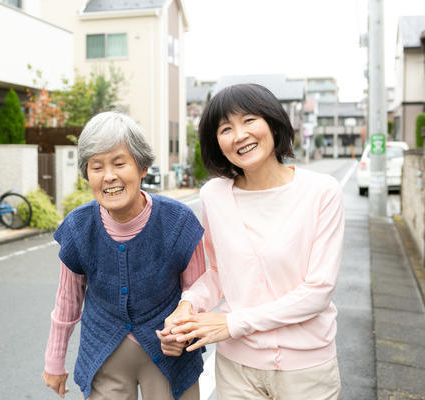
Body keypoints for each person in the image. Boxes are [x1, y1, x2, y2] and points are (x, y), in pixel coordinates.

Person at [163, 84, 344, 399]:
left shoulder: (321, 192)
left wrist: (231, 324)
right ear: (217, 143)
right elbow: (218, 271)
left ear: (272, 123)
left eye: (249, 120)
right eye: (225, 128)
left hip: (306, 370)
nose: (239, 135)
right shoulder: (214, 195)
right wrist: (187, 306)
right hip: (237, 369)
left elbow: (318, 291)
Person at [42, 111, 206, 399]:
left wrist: (184, 332)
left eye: (120, 163)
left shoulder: (178, 221)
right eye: (96, 167)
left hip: (170, 354)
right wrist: (54, 361)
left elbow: (199, 289)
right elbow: (68, 300)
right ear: (86, 174)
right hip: (104, 352)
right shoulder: (79, 227)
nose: (109, 176)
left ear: (142, 167)